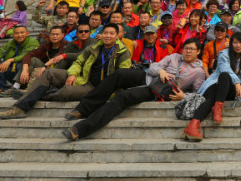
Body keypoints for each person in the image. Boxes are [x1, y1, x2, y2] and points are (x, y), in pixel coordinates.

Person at [63, 37, 205, 141]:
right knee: (119, 74)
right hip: (148, 77)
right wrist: (161, 71)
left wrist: (183, 97)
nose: (188, 51)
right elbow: (154, 65)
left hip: (156, 91)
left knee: (123, 96)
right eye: (186, 48)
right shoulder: (174, 57)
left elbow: (198, 94)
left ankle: (80, 129)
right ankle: (83, 108)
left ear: (198, 51)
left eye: (192, 49)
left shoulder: (198, 72)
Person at [0, 23, 132, 119]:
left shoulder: (122, 52)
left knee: (66, 91)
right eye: (105, 33)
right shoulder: (95, 47)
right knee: (50, 73)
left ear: (117, 35)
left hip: (97, 87)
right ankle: (19, 108)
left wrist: (110, 92)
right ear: (101, 34)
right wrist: (72, 73)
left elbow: (123, 75)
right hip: (84, 78)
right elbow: (79, 61)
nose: (108, 35)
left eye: (111, 33)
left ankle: (32, 94)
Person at [183, 34, 241, 140]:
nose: (238, 45)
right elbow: (225, 69)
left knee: (220, 86)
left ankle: (194, 124)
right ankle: (213, 111)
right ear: (231, 44)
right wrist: (237, 83)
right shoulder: (223, 54)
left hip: (231, 91)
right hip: (215, 85)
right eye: (235, 42)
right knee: (223, 77)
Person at [0, 26, 40, 96]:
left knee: (21, 64)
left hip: (26, 73)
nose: (19, 35)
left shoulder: (33, 42)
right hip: (13, 71)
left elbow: (27, 55)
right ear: (13, 35)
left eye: (22, 32)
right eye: (16, 33)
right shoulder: (11, 42)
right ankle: (3, 88)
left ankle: (19, 88)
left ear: (27, 33)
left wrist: (10, 60)